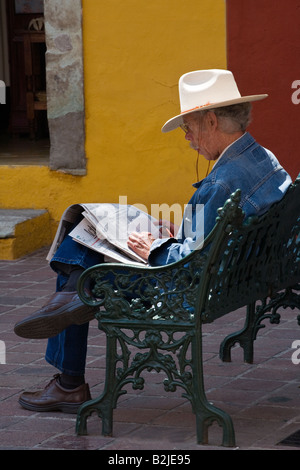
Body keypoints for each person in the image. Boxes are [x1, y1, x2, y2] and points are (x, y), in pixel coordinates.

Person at [14, 69, 292, 413]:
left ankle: (69, 369)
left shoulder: (221, 182)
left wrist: (155, 248)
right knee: (88, 248)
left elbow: (192, 266)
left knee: (85, 257)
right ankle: (69, 300)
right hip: (235, 280)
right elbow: (217, 236)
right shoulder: (263, 159)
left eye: (188, 127)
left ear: (211, 121)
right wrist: (180, 232)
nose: (187, 137)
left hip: (185, 291)